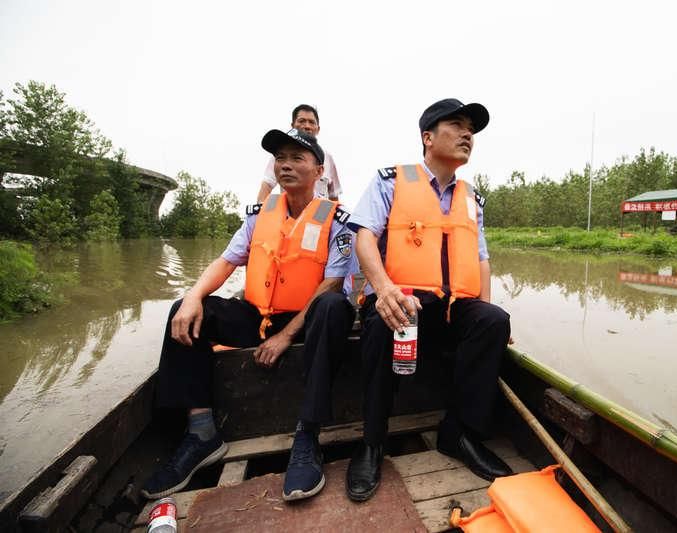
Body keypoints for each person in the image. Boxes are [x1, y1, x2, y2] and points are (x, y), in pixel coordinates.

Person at [142, 128, 355, 502]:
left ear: (319, 170)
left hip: (306, 324)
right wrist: (193, 295)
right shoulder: (260, 217)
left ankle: (307, 435)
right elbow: (226, 261)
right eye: (280, 159)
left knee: (334, 306)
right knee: (187, 311)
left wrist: (286, 335)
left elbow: (333, 284)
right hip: (258, 316)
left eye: (296, 158)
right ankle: (201, 432)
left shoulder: (338, 221)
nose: (285, 165)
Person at [344, 98, 513, 502]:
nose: (467, 134)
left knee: (493, 320)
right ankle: (372, 442)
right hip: (400, 301)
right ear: (427, 137)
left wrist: (487, 308)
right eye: (456, 125)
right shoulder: (391, 180)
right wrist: (383, 288)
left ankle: (459, 434)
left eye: (471, 129)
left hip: (451, 310)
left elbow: (481, 258)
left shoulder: (472, 198)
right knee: (393, 315)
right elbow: (363, 234)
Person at [257, 104, 342, 202]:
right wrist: (259, 214)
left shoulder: (328, 158)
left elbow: (334, 195)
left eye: (311, 122)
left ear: (318, 129)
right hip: (290, 215)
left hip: (319, 216)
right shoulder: (279, 155)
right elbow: (267, 185)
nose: (307, 126)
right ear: (292, 126)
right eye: (301, 121)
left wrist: (336, 216)